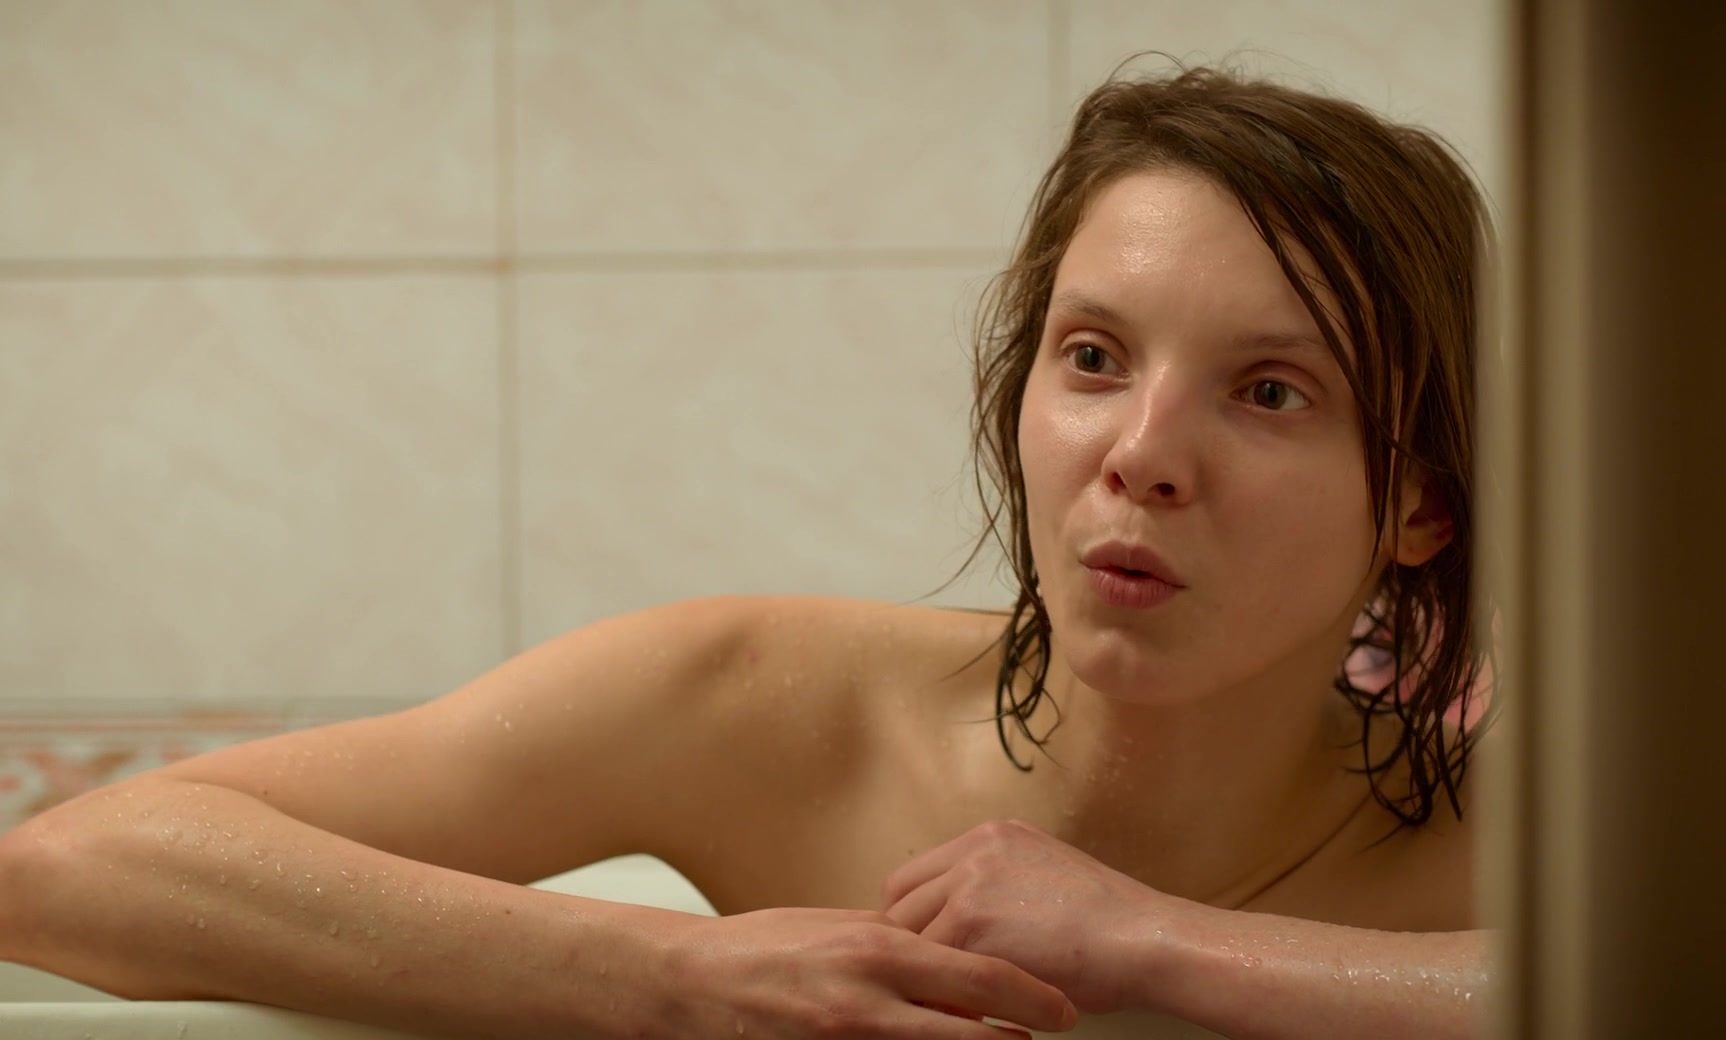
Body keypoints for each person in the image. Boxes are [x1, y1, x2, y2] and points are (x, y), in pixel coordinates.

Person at [0, 65, 1498, 1039]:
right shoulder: (770, 706)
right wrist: (672, 977)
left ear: (1422, 506)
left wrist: (1158, 945)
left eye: (1271, 392)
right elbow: (71, 868)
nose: (1143, 452)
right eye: (1094, 356)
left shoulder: (1513, 838)